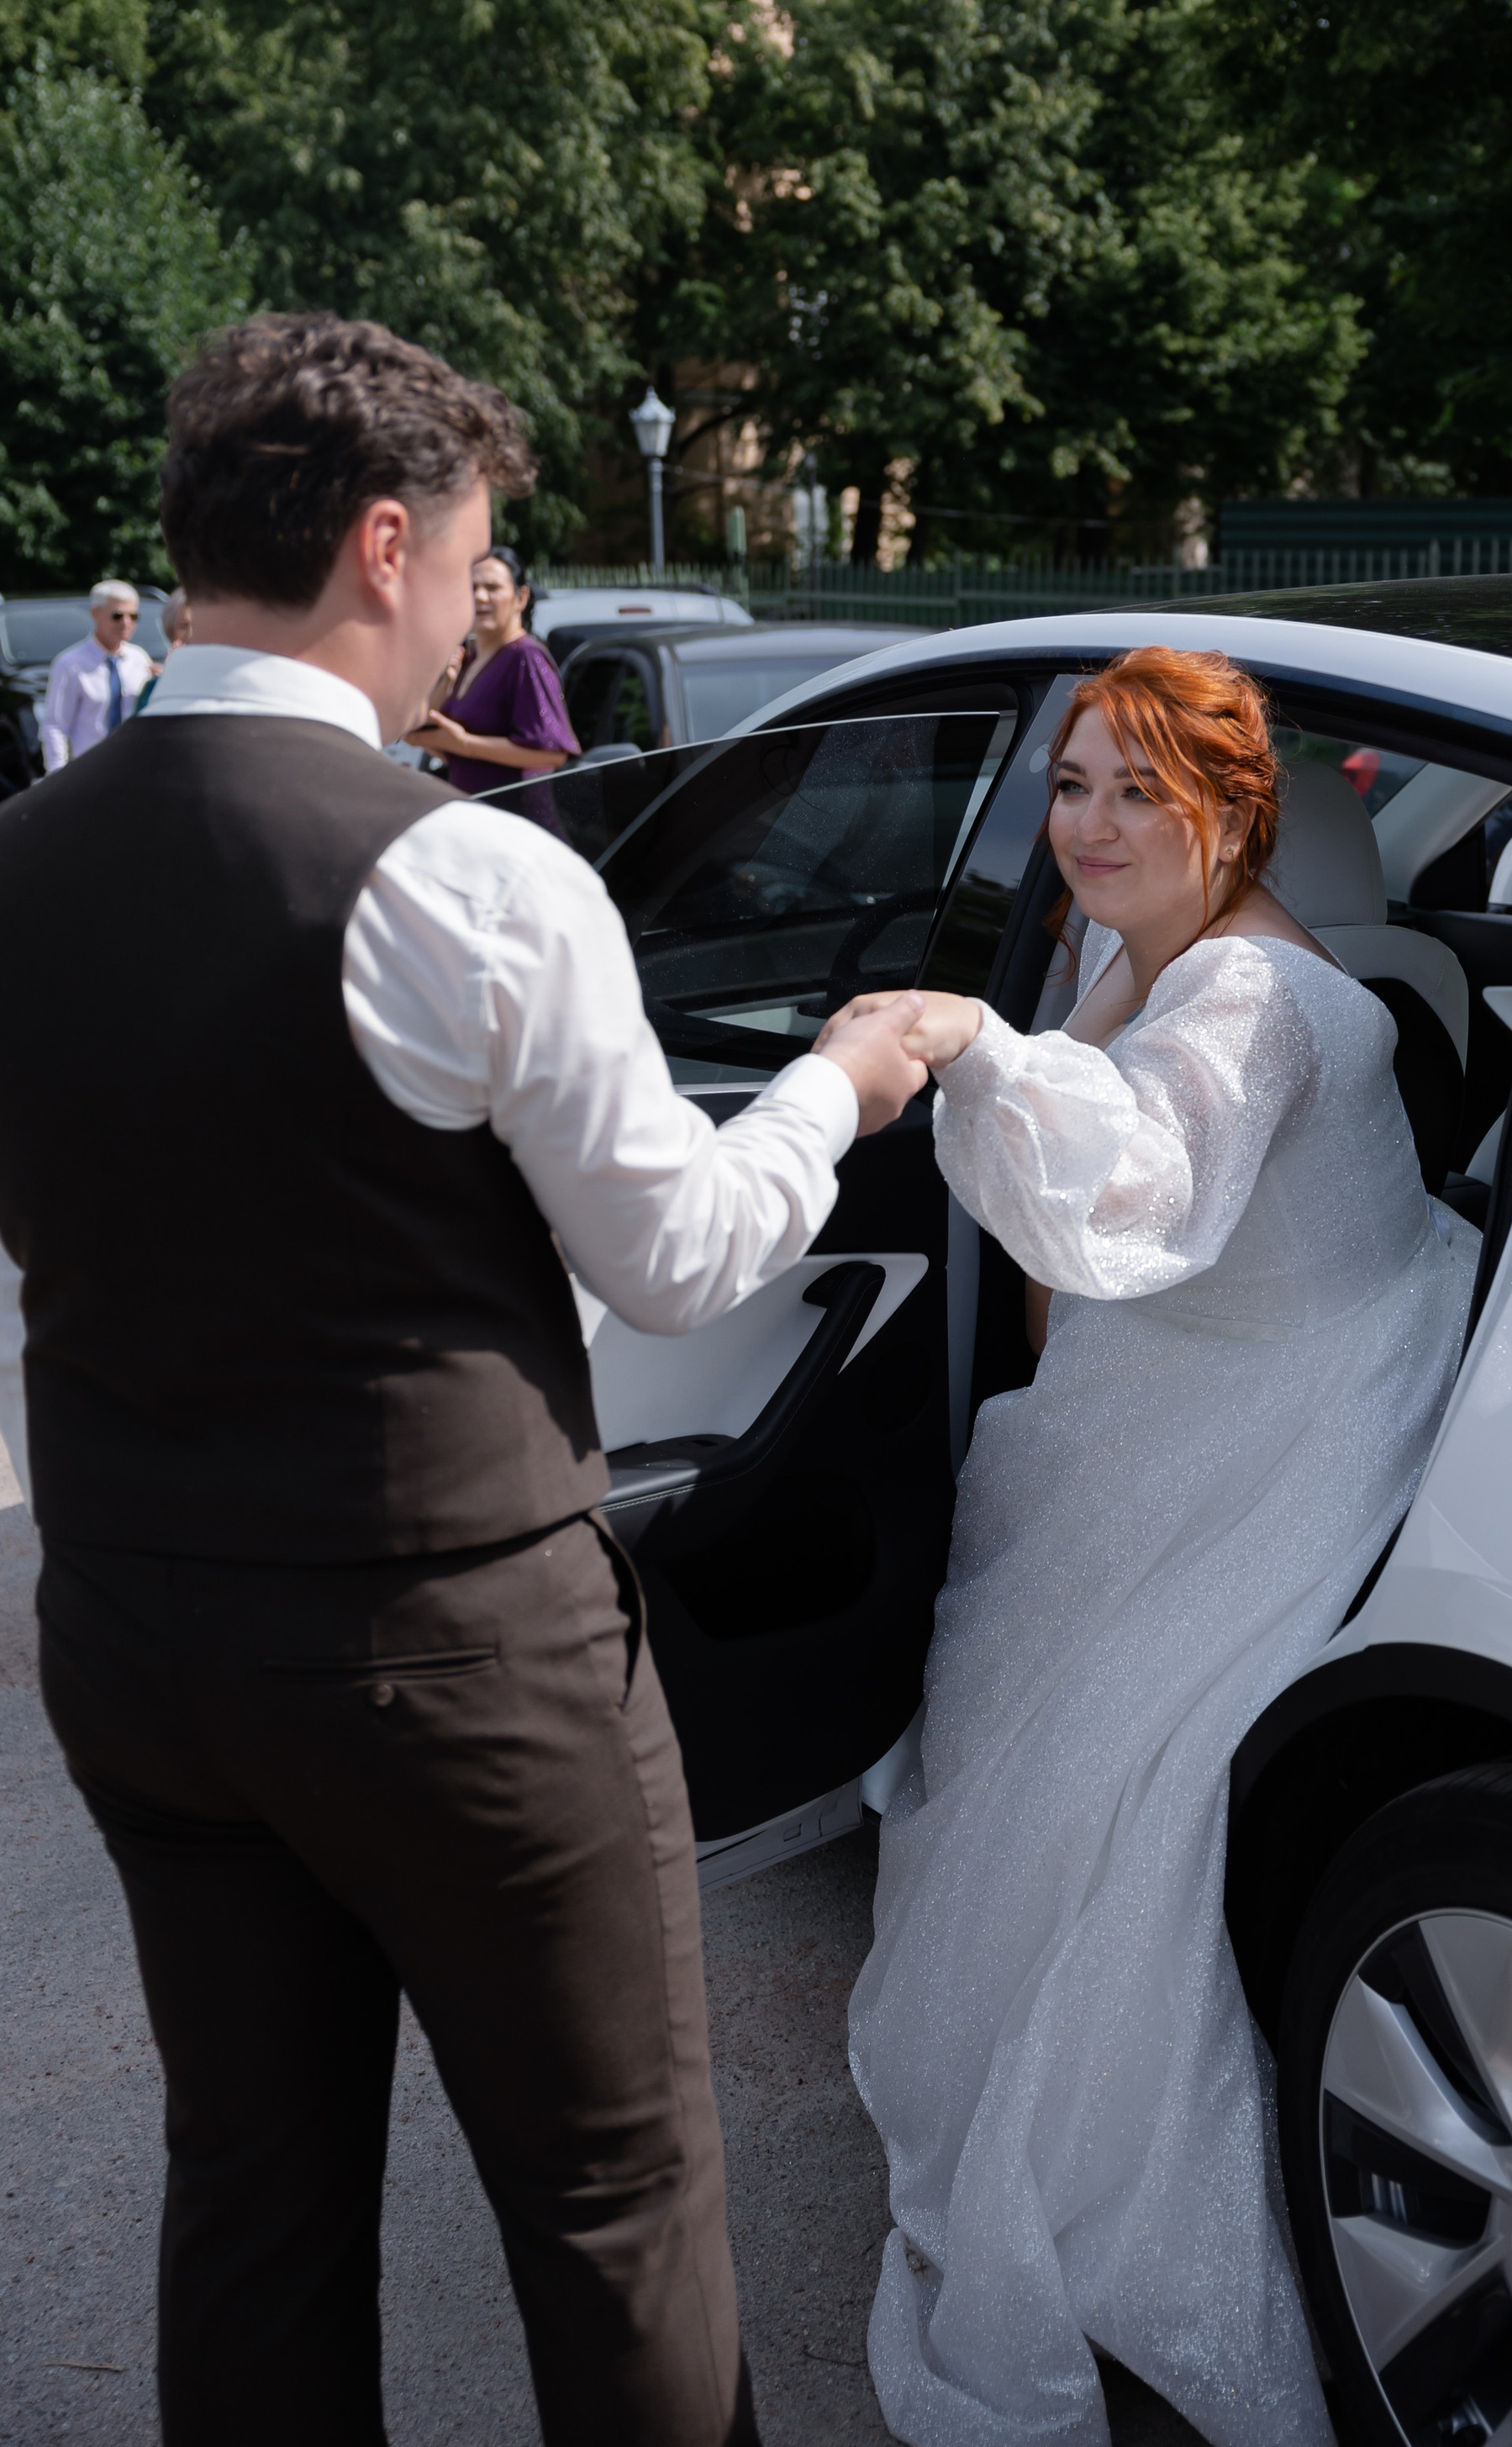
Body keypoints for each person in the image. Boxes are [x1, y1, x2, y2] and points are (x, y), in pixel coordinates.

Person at [0, 312, 929, 2447]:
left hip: (138, 1631)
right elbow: (678, 1246)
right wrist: (836, 1080)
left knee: (252, 2191)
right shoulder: (467, 871)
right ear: (386, 542)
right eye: (473, 563)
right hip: (450, 1655)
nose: (466, 632)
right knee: (613, 2206)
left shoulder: (21, 862)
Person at [835, 647, 1476, 2447]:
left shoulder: (1251, 1002)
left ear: (1231, 808)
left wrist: (961, 1039)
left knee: (1107, 1789)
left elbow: (1131, 1191)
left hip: (1282, 1414)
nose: (1089, 826)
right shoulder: (1131, 949)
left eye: (1137, 790)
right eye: (1069, 787)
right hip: (1163, 1384)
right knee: (1009, 1725)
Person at [409, 544, 578, 793]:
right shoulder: (469, 660)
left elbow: (550, 753)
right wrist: (444, 685)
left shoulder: (525, 656)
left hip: (516, 817)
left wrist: (465, 743)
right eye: (472, 588)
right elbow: (439, 743)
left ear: (521, 598)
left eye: (492, 588)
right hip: (476, 812)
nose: (480, 597)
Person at [40, 580, 154, 766]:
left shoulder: (139, 658)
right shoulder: (70, 664)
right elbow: (56, 727)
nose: (126, 623)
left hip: (132, 765)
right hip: (88, 766)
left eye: (133, 616)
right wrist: (57, 775)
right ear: (95, 614)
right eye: (117, 616)